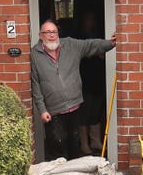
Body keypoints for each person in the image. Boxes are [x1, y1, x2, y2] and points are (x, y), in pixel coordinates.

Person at [29, 19, 116, 162]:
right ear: (40, 35)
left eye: (54, 32)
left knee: (74, 146)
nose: (52, 35)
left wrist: (110, 43)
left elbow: (91, 45)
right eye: (47, 32)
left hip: (74, 106)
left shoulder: (70, 45)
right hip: (53, 111)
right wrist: (42, 110)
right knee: (57, 148)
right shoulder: (35, 55)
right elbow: (36, 84)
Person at [75, 11, 107, 157]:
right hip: (84, 81)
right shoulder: (79, 38)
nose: (90, 22)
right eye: (88, 19)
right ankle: (84, 144)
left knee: (95, 112)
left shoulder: (99, 34)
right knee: (84, 114)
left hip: (98, 81)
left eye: (92, 19)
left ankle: (95, 142)